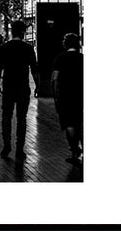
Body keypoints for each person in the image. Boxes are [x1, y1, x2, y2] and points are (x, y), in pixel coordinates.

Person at [0, 20, 38, 161]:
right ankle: (20, 149)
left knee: (6, 117)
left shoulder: (4, 47)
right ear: (23, 32)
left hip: (8, 86)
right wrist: (37, 85)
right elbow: (34, 69)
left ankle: (6, 146)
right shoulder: (28, 48)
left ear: (11, 31)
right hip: (23, 87)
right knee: (21, 119)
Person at [51, 33, 83, 165]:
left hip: (65, 95)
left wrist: (55, 96)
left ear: (65, 44)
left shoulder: (60, 58)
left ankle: (74, 151)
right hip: (80, 94)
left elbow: (54, 78)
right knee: (79, 121)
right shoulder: (83, 58)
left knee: (69, 123)